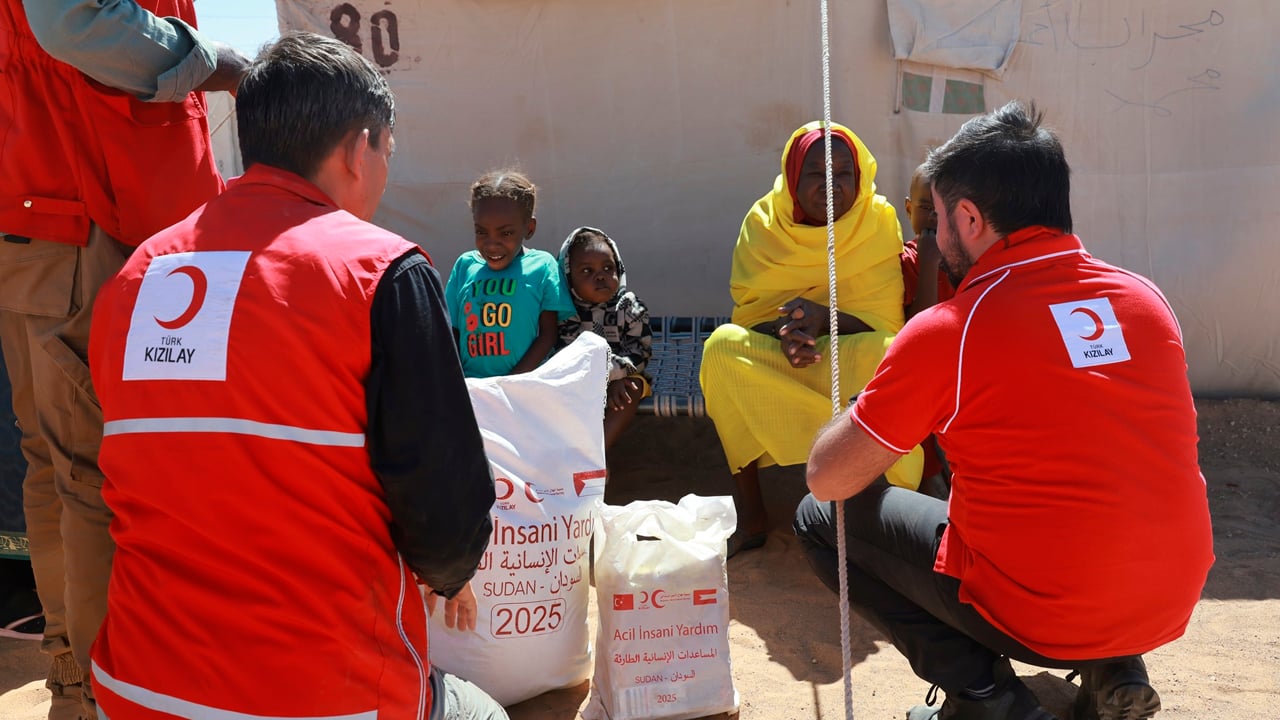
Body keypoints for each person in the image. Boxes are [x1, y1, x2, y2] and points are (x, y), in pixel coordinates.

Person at [87, 33, 506, 720]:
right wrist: (452, 573)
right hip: (323, 699)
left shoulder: (137, 277)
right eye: (387, 154)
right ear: (355, 149)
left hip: (134, 691)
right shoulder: (380, 270)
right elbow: (444, 508)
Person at [795, 100, 1213, 720]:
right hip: (1168, 598)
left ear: (968, 217)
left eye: (936, 218)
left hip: (1042, 612)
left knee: (818, 516)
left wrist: (869, 400)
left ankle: (986, 697)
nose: (934, 236)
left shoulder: (952, 329)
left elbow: (829, 476)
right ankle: (1113, 669)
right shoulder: (1145, 300)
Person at [0, 2, 248, 717]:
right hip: (92, 215)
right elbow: (73, 22)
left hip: (42, 210)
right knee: (90, 473)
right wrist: (218, 65)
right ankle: (116, 696)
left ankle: (78, 683)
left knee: (55, 466)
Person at [699, 121, 923, 556]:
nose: (831, 185)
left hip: (852, 352)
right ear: (792, 177)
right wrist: (784, 334)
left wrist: (826, 321)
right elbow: (750, 315)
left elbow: (886, 323)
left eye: (843, 173)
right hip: (783, 360)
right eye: (816, 173)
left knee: (890, 354)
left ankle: (880, 504)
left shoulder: (877, 220)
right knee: (722, 348)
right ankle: (752, 515)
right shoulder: (764, 223)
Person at [445, 170, 575, 378]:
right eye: (481, 232)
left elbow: (548, 335)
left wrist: (511, 383)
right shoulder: (465, 266)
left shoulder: (542, 266)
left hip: (524, 389)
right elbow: (452, 331)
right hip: (472, 389)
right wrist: (457, 381)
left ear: (529, 229)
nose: (492, 244)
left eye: (506, 233)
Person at [556, 226, 653, 451]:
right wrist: (596, 382)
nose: (600, 276)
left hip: (623, 376)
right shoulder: (565, 312)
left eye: (608, 268)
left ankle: (597, 455)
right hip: (579, 380)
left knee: (632, 389)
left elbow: (640, 352)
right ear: (569, 277)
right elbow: (565, 354)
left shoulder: (628, 306)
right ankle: (569, 454)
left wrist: (613, 378)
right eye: (587, 271)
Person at [899, 162, 957, 498]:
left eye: (943, 211)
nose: (934, 219)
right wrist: (928, 264)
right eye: (925, 209)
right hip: (923, 377)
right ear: (909, 209)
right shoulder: (905, 261)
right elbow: (915, 328)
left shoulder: (967, 260)